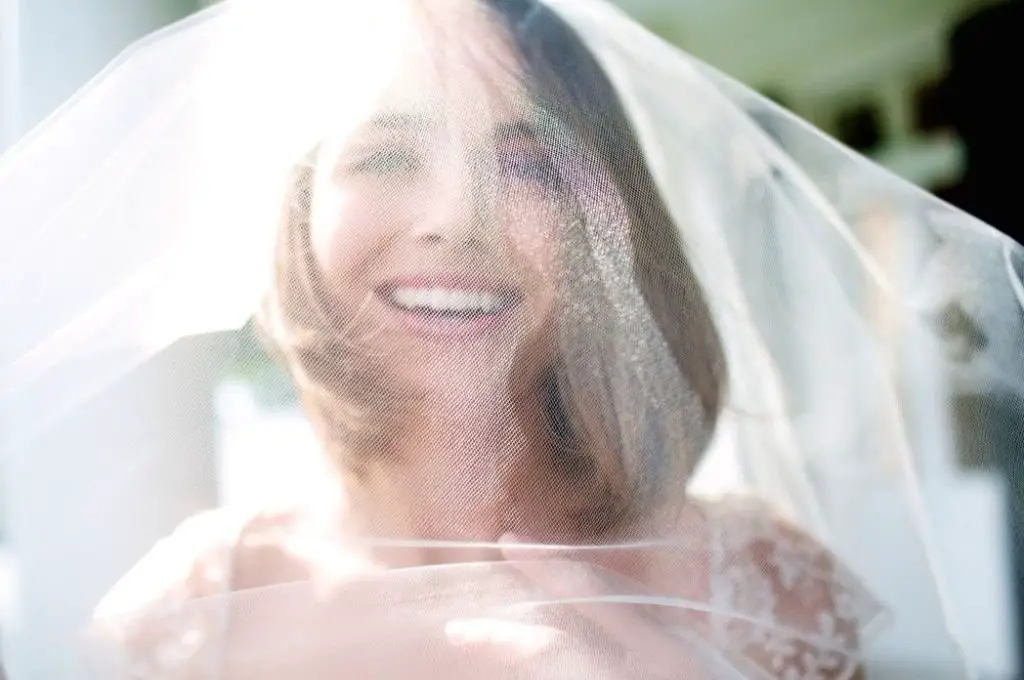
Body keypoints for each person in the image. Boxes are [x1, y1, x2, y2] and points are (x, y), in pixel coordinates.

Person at [1, 0, 1012, 677]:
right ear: (300, 210)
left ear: (604, 224)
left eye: (527, 162)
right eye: (387, 152)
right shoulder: (188, 611)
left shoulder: (766, 579)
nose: (457, 216)